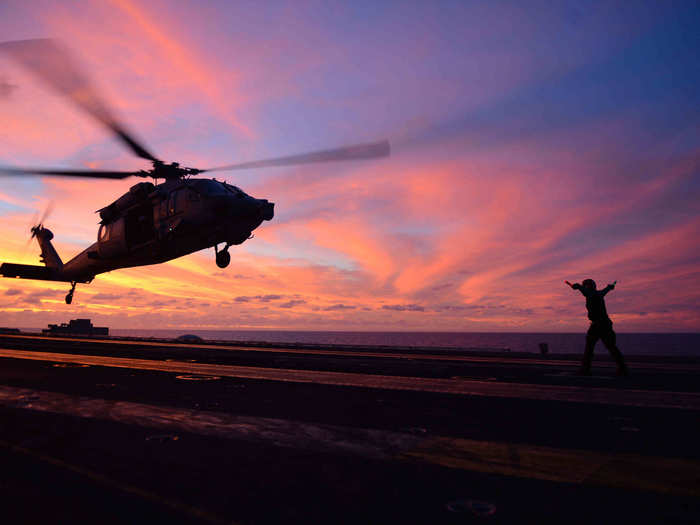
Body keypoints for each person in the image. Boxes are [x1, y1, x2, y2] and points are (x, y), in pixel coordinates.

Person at [565, 278, 629, 376]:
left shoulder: (591, 294)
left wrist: (576, 286)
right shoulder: (599, 294)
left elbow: (583, 289)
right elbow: (606, 290)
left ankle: (585, 369)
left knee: (589, 348)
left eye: (586, 285)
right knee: (611, 347)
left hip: (598, 325)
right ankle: (622, 368)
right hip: (605, 324)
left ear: (588, 286)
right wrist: (609, 287)